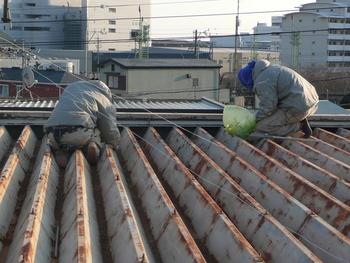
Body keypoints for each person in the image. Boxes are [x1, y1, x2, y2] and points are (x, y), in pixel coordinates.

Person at [44, 80, 120, 167]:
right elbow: (109, 128)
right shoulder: (102, 98)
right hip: (79, 132)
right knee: (96, 132)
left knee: (63, 142)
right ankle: (93, 145)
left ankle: (61, 152)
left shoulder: (69, 91)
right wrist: (114, 144)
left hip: (52, 133)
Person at [237, 59, 319, 139]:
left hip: (298, 107)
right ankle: (300, 119)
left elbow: (268, 107)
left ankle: (298, 126)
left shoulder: (261, 81)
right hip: (311, 102)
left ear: (247, 80)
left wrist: (252, 120)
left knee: (261, 127)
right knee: (271, 116)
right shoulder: (271, 69)